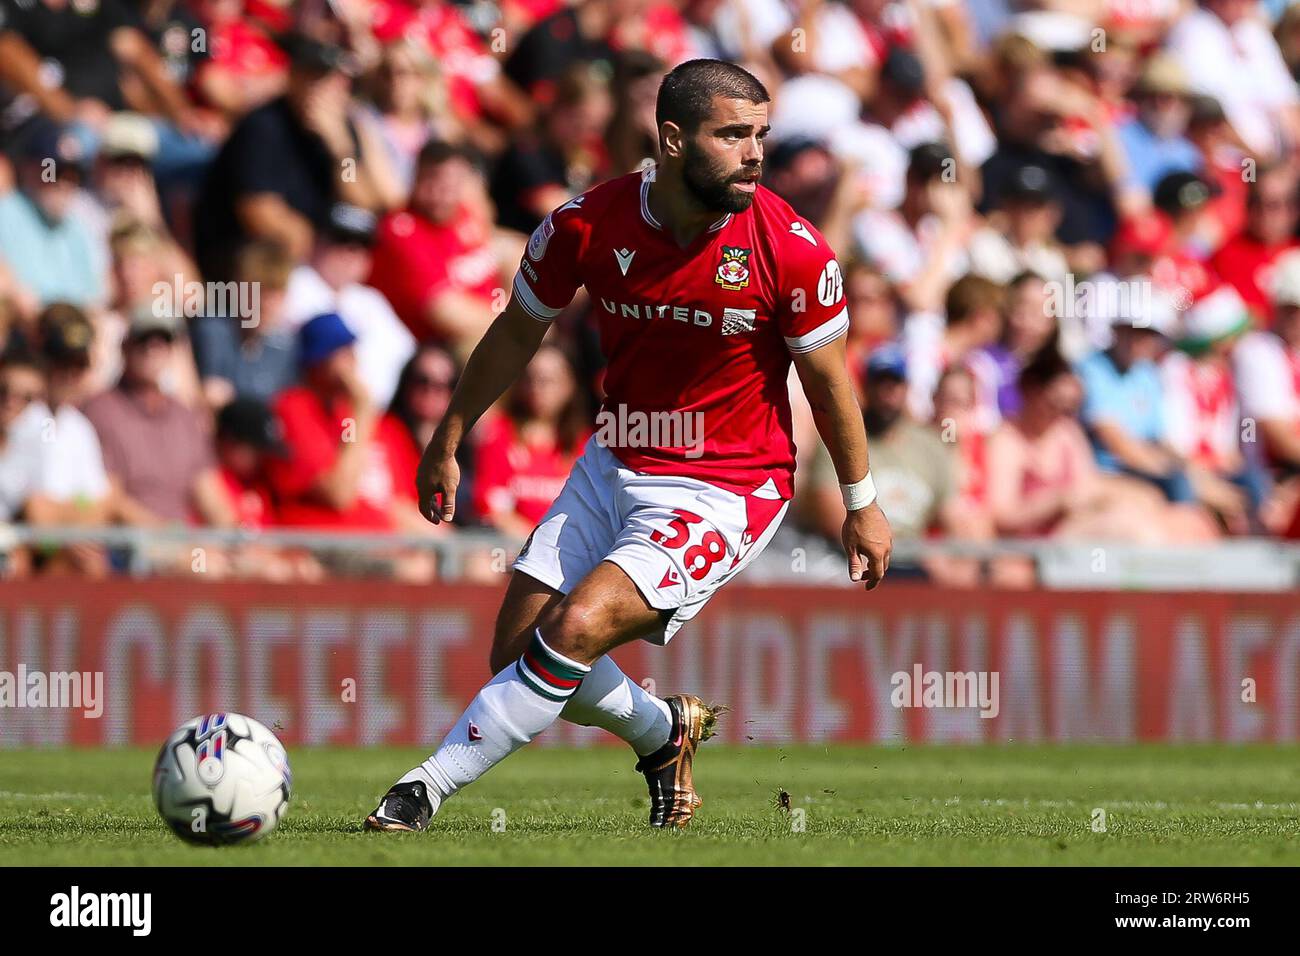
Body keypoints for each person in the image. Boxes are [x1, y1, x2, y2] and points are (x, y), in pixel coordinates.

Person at [365, 59, 892, 833]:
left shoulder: (794, 249)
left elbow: (830, 385)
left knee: (575, 627)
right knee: (517, 653)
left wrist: (862, 502)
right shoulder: (585, 222)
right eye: (733, 135)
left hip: (728, 484)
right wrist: (448, 435)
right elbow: (517, 331)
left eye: (761, 136)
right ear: (673, 140)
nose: (754, 153)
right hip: (614, 458)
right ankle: (663, 731)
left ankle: (422, 788)